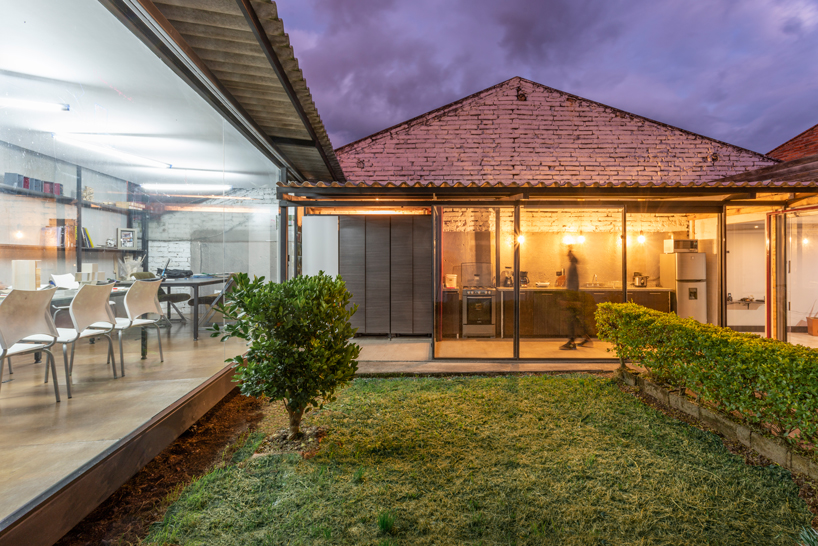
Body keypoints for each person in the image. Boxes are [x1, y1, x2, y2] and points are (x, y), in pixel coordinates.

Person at [561, 247, 592, 350]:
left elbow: (574, 283)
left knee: (571, 319)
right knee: (575, 319)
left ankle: (571, 342)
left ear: (571, 256)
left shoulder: (573, 266)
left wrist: (570, 298)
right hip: (574, 295)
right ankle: (586, 338)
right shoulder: (573, 265)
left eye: (568, 255)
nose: (567, 256)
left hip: (573, 295)